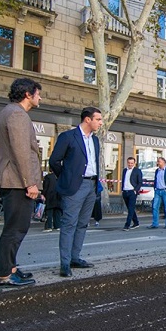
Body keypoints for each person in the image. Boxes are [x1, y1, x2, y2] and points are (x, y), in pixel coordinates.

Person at [0, 78, 42, 287]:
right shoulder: (17, 114)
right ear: (28, 94)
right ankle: (4, 275)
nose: (40, 98)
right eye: (38, 94)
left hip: (13, 179)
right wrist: (30, 183)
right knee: (15, 229)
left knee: (15, 228)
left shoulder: (9, 112)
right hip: (16, 181)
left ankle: (11, 267)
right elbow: (21, 152)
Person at [49, 106, 103, 278]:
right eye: (98, 119)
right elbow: (54, 161)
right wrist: (67, 178)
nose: (101, 123)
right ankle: (64, 264)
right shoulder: (68, 137)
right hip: (75, 186)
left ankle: (75, 258)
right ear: (88, 119)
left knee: (82, 223)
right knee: (69, 224)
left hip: (91, 185)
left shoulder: (95, 140)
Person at [147, 157, 166, 229]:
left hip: (165, 191)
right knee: (155, 207)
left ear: (164, 162)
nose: (158, 163)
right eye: (158, 161)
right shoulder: (157, 170)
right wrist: (155, 188)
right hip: (157, 191)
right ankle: (155, 224)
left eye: (159, 161)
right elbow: (156, 180)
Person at [121, 157, 143, 231]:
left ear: (134, 163)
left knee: (130, 209)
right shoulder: (124, 170)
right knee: (130, 208)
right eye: (129, 163)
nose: (130, 164)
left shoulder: (137, 171)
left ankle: (127, 225)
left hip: (132, 192)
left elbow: (140, 182)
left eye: (131, 163)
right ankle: (136, 222)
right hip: (125, 191)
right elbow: (123, 180)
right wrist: (122, 190)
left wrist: (135, 190)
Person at [42, 167, 62, 232]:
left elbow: (45, 187)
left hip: (50, 196)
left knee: (49, 212)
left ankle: (49, 226)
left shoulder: (48, 177)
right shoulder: (60, 177)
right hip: (58, 196)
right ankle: (57, 225)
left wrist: (43, 194)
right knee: (57, 212)